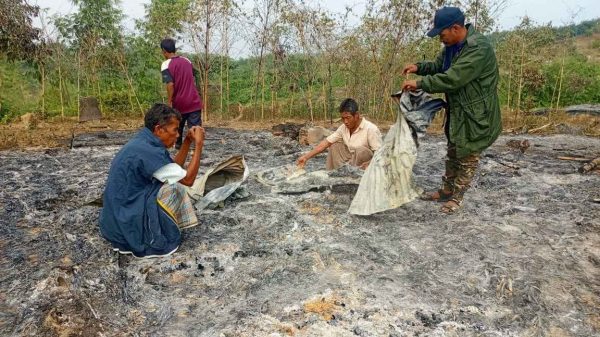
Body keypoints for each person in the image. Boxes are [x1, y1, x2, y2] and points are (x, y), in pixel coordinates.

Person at [401, 6, 501, 214]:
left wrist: (419, 83)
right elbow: (439, 66)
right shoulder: (452, 46)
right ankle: (446, 191)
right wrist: (418, 67)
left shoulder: (477, 48)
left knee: (468, 154)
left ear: (455, 28)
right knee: (453, 150)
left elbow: (453, 78)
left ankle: (457, 198)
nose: (440, 38)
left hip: (476, 113)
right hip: (459, 110)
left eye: (442, 34)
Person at [99, 103, 205, 258]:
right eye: (175, 130)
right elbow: (187, 180)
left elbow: (172, 169)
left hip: (114, 220)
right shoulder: (149, 150)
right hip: (127, 220)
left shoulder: (143, 142)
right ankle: (155, 234)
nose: (177, 135)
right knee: (175, 189)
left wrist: (187, 142)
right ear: (159, 129)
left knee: (169, 181)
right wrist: (199, 145)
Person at [297, 98, 382, 170]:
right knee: (334, 145)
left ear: (357, 115)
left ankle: (353, 174)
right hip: (350, 159)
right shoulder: (343, 128)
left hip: (366, 164)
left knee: (361, 151)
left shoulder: (371, 129)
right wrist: (305, 157)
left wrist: (369, 164)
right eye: (343, 118)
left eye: (348, 118)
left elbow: (380, 154)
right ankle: (333, 174)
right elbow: (325, 143)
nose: (345, 122)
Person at [160, 38, 203, 149]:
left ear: (164, 51)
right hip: (194, 101)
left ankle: (178, 145)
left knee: (176, 126)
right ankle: (197, 149)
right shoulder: (187, 60)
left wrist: (169, 102)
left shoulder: (166, 64)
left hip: (179, 102)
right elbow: (193, 76)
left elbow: (170, 84)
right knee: (195, 128)